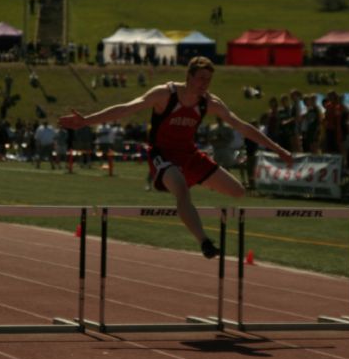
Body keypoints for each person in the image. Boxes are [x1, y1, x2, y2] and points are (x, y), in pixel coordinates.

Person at [59, 56, 293, 259]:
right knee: (181, 189)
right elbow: (127, 108)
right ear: (189, 77)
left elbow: (243, 127)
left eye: (208, 80)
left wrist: (278, 149)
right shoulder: (165, 94)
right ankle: (204, 242)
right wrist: (87, 121)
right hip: (162, 154)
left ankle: (190, 203)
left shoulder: (210, 103)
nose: (205, 84)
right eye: (201, 79)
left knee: (238, 191)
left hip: (189, 155)